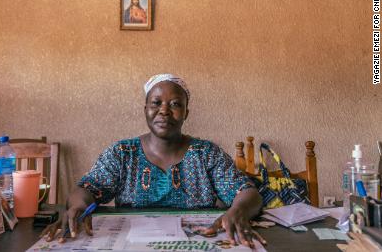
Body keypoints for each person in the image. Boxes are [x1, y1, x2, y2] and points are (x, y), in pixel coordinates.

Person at [42, 74, 265, 247]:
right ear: (146, 109)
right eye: (156, 103)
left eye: (176, 104)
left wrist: (239, 210)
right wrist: (80, 206)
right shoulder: (122, 153)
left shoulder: (206, 153)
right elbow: (86, 189)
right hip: (132, 244)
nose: (164, 111)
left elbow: (247, 192)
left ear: (186, 112)